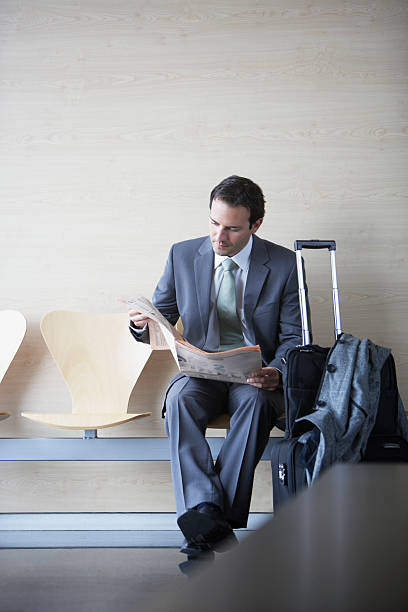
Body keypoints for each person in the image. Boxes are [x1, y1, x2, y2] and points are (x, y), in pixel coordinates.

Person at [128, 175, 306, 569]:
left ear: (255, 225)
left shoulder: (284, 264)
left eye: (231, 228)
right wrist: (142, 325)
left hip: (254, 376)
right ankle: (211, 515)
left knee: (258, 404)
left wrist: (276, 371)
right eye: (213, 223)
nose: (218, 236)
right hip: (200, 371)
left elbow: (295, 337)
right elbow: (163, 316)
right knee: (178, 400)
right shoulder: (181, 254)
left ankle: (204, 521)